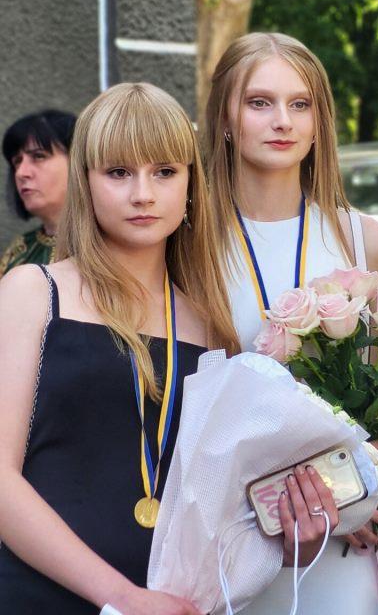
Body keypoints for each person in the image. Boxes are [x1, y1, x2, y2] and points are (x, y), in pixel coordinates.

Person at [0, 83, 241, 613]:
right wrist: (121, 597)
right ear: (85, 183)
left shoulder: (211, 326)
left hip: (170, 601)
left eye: (164, 171)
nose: (143, 194)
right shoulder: (33, 291)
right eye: (118, 172)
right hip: (39, 596)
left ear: (191, 183)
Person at [201, 32, 378, 614]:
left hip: (343, 528)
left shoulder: (363, 238)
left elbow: (375, 391)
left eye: (300, 104)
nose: (282, 121)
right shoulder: (189, 240)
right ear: (225, 117)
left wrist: (370, 474)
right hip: (233, 528)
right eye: (259, 102)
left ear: (319, 121)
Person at [0, 109, 76, 274]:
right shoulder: (19, 250)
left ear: (78, 161)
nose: (20, 173)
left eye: (39, 156)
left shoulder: (111, 244)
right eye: (17, 161)